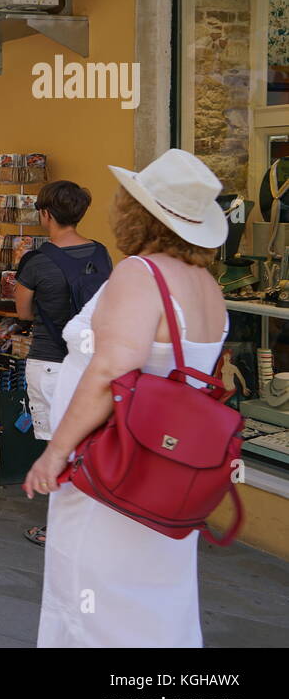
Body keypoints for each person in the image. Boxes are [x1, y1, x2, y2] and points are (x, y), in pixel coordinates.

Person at [25, 148, 228, 648]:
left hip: (114, 462)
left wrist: (55, 453)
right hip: (168, 469)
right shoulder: (207, 285)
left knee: (91, 589)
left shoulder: (143, 273)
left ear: (136, 212)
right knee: (154, 591)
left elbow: (110, 369)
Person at [13, 179, 110, 546]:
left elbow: (23, 311)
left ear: (45, 214)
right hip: (92, 362)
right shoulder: (101, 254)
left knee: (57, 447)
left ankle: (62, 528)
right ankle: (92, 517)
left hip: (50, 361)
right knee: (88, 442)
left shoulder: (36, 261)